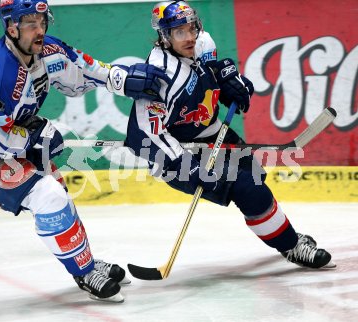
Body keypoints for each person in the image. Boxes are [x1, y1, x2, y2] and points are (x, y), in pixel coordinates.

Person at [0, 0, 170, 303]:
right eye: (30, 24)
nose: (39, 30)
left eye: (42, 22)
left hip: (10, 135)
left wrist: (124, 79)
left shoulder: (46, 51)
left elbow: (84, 69)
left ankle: (84, 261)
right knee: (48, 194)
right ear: (11, 27)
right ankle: (84, 272)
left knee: (57, 192)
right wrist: (34, 138)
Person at [126, 1, 335, 270]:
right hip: (177, 156)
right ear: (164, 37)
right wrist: (185, 165)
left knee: (256, 177)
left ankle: (284, 235)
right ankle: (292, 246)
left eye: (191, 28)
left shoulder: (203, 42)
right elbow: (140, 136)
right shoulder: (160, 76)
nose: (189, 37)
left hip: (213, 136)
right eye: (179, 32)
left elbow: (211, 72)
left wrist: (227, 81)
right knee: (249, 188)